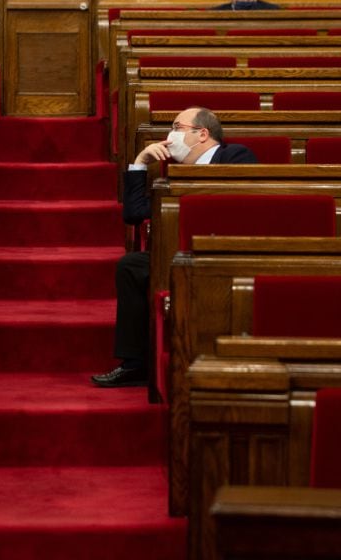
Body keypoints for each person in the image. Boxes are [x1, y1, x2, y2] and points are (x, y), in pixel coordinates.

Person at [91, 107, 258, 388]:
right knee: (131, 265)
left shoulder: (234, 155)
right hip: (178, 251)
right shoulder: (171, 174)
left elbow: (241, 200)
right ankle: (135, 364)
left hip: (226, 248)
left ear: (202, 134)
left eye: (176, 128)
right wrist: (140, 162)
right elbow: (134, 214)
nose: (169, 136)